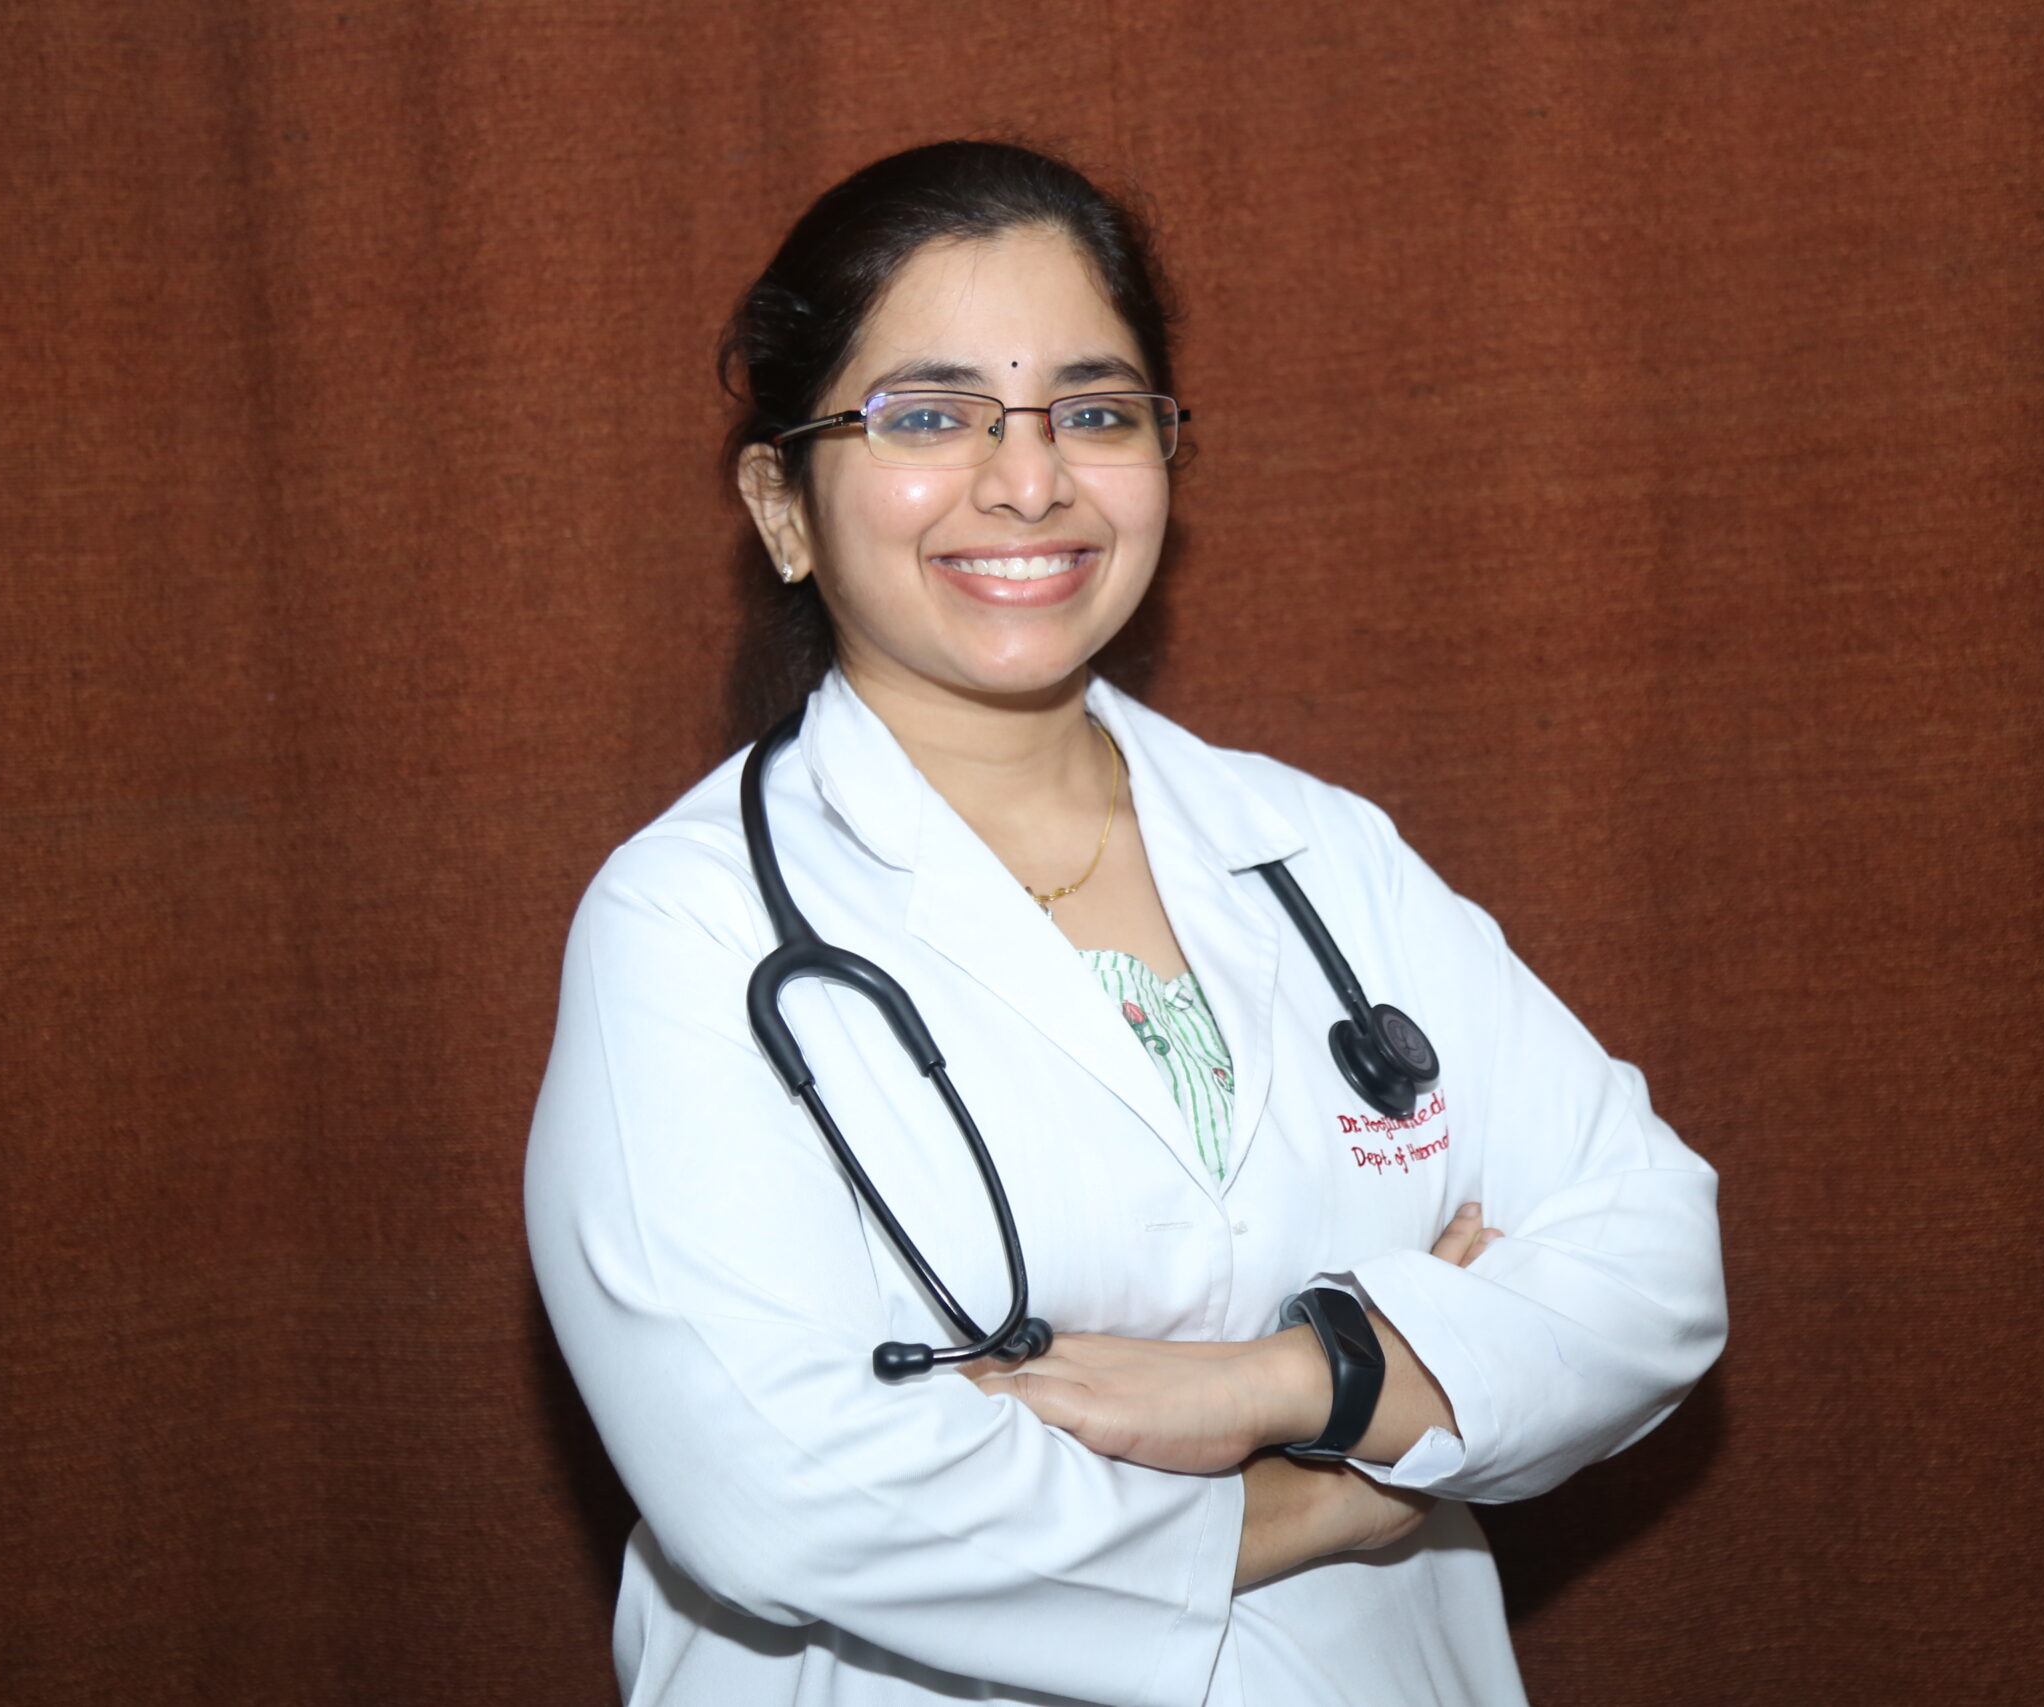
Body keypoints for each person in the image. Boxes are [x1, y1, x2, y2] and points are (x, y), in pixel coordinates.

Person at [525, 140, 1726, 1707]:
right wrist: (1351, 1484)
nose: (1030, 482)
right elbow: (786, 1494)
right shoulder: (687, 928)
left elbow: (1654, 1262)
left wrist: (1297, 1380)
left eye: (1093, 412)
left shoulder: (1315, 852)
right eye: (929, 416)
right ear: (783, 503)